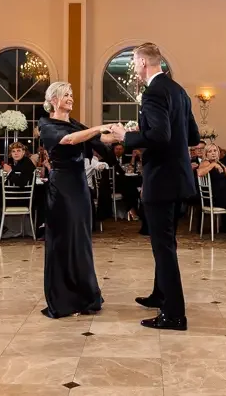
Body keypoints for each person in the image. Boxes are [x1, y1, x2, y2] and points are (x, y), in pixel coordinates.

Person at [109, 42, 200, 331]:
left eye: (134, 63)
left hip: (161, 180)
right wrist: (146, 132)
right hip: (178, 178)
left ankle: (173, 314)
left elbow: (160, 136)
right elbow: (193, 136)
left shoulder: (152, 92)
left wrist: (126, 136)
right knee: (166, 243)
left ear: (142, 62)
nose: (134, 68)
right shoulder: (179, 91)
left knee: (163, 248)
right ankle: (160, 294)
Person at [38, 81, 115, 319]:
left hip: (80, 186)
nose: (71, 98)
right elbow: (69, 140)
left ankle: (85, 296)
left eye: (71, 94)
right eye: (66, 95)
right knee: (63, 240)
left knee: (81, 240)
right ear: (54, 100)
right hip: (61, 189)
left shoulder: (75, 124)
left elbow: (99, 140)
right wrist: (99, 127)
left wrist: (124, 134)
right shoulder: (46, 125)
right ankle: (63, 299)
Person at [0, 142, 36, 235]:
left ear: (23, 152)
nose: (16, 153)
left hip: (21, 198)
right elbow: (7, 183)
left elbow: (22, 183)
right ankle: (0, 227)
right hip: (14, 196)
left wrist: (10, 171)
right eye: (13, 151)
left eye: (18, 151)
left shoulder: (27, 163)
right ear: (11, 154)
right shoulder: (16, 163)